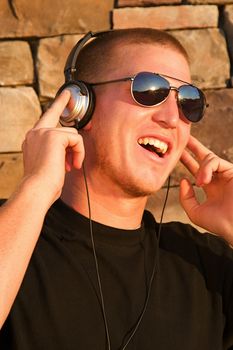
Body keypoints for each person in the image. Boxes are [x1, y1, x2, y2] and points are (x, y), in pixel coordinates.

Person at [0, 28, 233, 350]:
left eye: (188, 102)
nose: (172, 117)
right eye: (149, 90)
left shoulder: (207, 264)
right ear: (78, 105)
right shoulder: (12, 235)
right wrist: (36, 186)